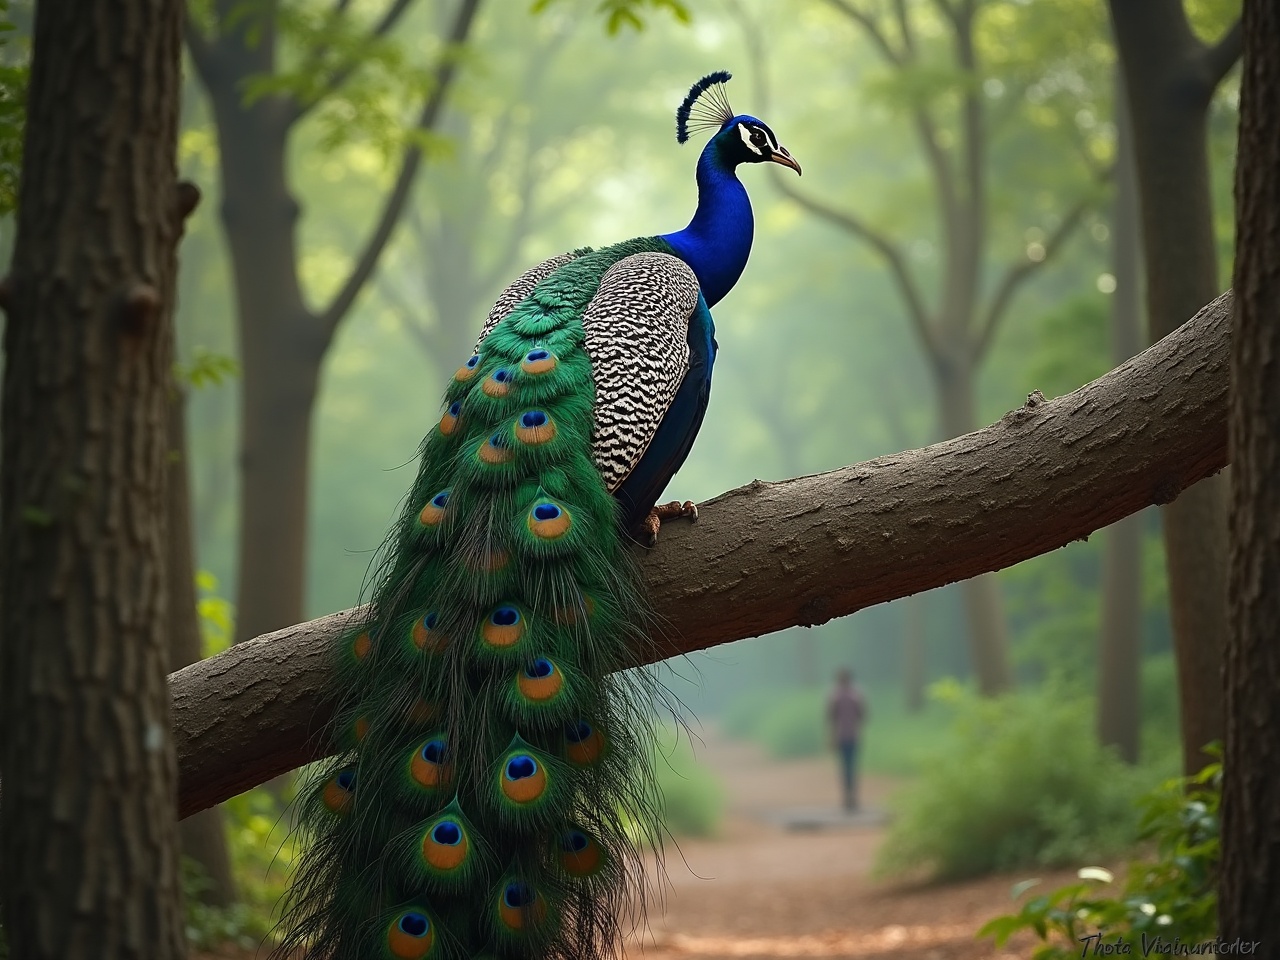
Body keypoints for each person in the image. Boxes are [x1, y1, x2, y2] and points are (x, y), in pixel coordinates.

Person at [828, 669, 867, 811]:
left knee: (848, 768)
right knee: (848, 767)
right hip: (848, 736)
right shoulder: (853, 695)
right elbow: (863, 715)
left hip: (847, 736)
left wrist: (831, 737)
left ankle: (850, 797)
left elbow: (831, 718)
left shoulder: (837, 696)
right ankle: (849, 797)